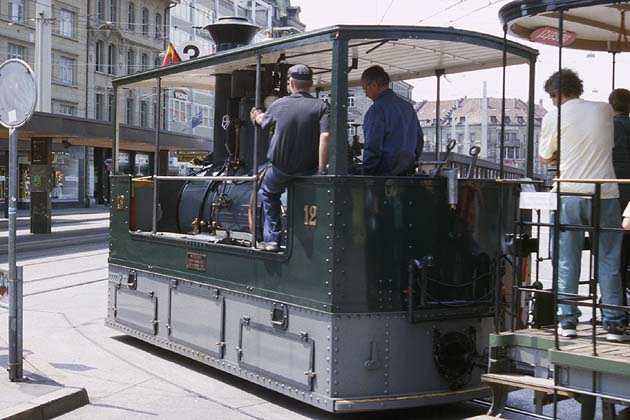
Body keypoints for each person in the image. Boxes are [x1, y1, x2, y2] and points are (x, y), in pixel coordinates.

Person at [539, 69, 628, 342]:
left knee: (567, 259)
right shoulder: (604, 109)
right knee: (609, 259)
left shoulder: (554, 115)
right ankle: (614, 323)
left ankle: (568, 322)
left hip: (571, 191)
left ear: (555, 95)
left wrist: (558, 156)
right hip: (606, 192)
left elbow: (545, 157)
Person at [250, 64, 330, 252]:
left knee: (269, 193)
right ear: (310, 84)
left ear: (291, 83)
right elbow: (325, 136)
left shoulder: (279, 104)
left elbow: (262, 121)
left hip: (281, 168)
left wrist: (255, 114)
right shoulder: (322, 106)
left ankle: (272, 240)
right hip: (309, 169)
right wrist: (321, 169)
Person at [360, 65, 424, 175]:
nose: (366, 94)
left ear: (374, 85)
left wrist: (366, 173)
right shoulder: (408, 107)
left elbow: (373, 145)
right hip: (406, 175)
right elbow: (419, 141)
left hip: (384, 176)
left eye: (365, 89)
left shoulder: (377, 110)